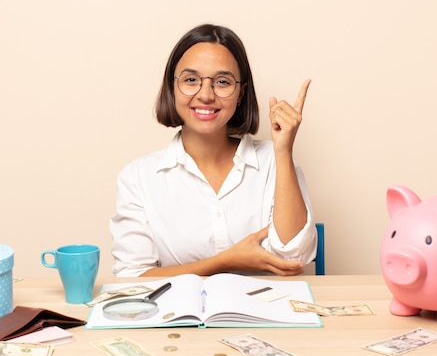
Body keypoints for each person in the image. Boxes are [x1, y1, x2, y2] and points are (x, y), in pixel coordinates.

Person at [110, 24, 317, 277]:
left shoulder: (275, 162)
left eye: (222, 82)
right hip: (181, 315)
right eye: (190, 80)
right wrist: (225, 261)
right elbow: (131, 277)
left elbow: (294, 259)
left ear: (240, 92)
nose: (206, 95)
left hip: (268, 314)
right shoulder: (137, 178)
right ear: (172, 88)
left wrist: (283, 151)